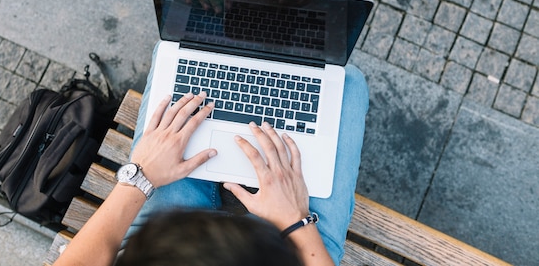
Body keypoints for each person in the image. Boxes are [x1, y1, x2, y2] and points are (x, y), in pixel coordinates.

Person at [53, 50, 369, 266]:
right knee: (347, 83)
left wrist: (140, 177)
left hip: (161, 252)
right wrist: (296, 221)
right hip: (281, 249)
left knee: (180, 54)